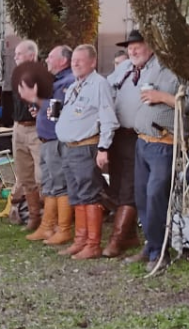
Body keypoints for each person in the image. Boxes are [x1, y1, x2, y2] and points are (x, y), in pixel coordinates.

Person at [127, 33, 189, 271]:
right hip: (143, 142)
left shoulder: (183, 68)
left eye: (138, 46)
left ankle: (160, 253)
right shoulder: (153, 68)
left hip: (165, 143)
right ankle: (151, 246)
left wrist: (161, 97)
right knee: (142, 196)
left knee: (155, 196)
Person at [54, 44, 119, 260]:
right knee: (76, 194)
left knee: (89, 195)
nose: (75, 64)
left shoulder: (99, 85)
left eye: (80, 61)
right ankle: (80, 240)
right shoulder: (75, 85)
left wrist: (103, 148)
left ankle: (93, 244)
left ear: (93, 62)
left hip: (86, 147)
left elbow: (108, 120)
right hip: (70, 148)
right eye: (73, 61)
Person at [103, 29, 153, 258]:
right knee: (115, 185)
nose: (132, 50)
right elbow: (106, 88)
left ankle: (117, 240)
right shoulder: (123, 68)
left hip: (140, 135)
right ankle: (130, 235)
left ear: (149, 47)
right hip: (117, 134)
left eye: (137, 46)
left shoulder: (156, 69)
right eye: (129, 47)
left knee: (130, 187)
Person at [18, 45, 75, 244]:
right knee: (50, 185)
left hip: (56, 140)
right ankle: (47, 226)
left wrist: (34, 99)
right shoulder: (56, 81)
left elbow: (56, 111)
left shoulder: (66, 82)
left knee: (59, 185)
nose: (47, 60)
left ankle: (63, 228)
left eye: (51, 57)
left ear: (63, 61)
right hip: (47, 139)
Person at [9, 40, 42, 230]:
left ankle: (49, 219)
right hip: (18, 127)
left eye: (18, 54)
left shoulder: (43, 77)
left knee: (41, 176)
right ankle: (33, 217)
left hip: (37, 129)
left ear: (31, 56)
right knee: (24, 174)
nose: (15, 57)